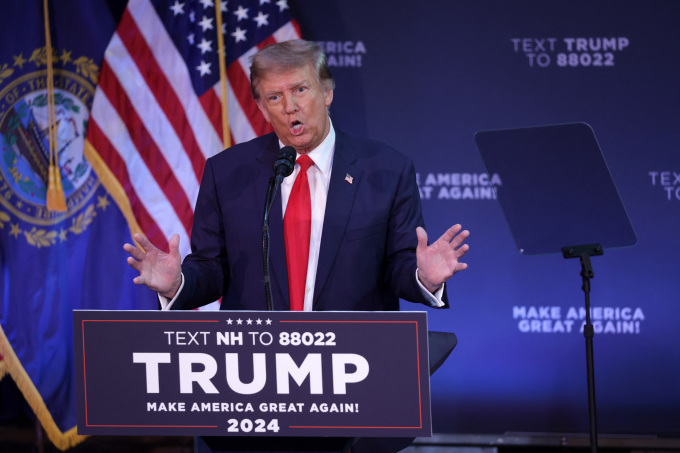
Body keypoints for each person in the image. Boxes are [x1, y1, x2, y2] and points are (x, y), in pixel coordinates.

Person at [123, 39, 469, 312]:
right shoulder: (227, 171)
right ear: (262, 108)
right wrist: (177, 283)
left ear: (327, 93)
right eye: (275, 97)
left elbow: (398, 266)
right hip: (256, 362)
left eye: (300, 90)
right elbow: (213, 269)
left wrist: (423, 277)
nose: (290, 107)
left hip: (353, 360)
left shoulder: (387, 170)